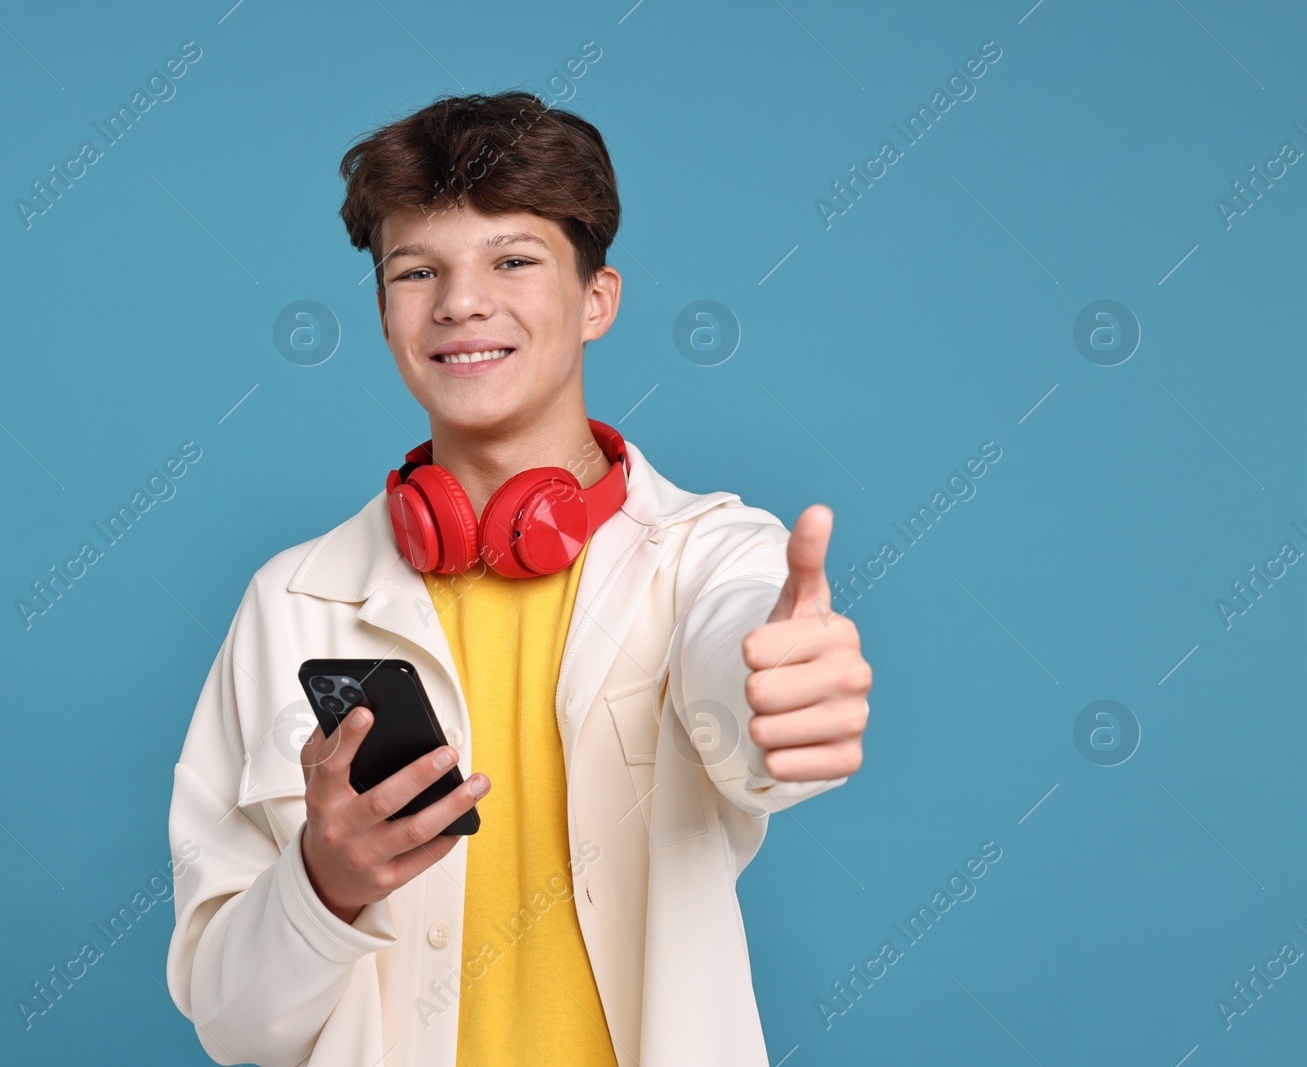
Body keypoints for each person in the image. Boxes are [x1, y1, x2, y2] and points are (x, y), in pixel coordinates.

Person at [165, 90, 872, 1067]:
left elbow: (740, 663)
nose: (461, 301)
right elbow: (230, 1021)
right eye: (418, 270)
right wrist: (322, 883)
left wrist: (778, 696)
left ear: (597, 299)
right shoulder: (289, 603)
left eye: (512, 259)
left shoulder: (713, 555)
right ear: (383, 314)